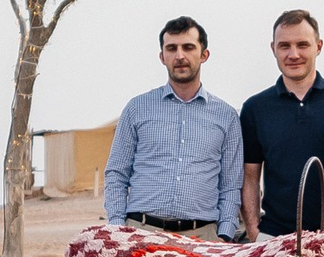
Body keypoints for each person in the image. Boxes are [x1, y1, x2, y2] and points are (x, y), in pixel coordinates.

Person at [102, 18, 242, 241]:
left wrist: (224, 235)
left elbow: (231, 185)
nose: (180, 56)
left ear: (204, 54)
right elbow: (117, 174)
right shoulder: (137, 108)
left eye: (188, 47)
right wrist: (118, 229)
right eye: (171, 48)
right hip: (142, 233)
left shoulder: (226, 116)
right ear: (162, 57)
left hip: (203, 237)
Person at [239, 10, 324, 240]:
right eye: (285, 46)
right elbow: (250, 176)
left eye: (302, 45)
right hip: (274, 238)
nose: (294, 54)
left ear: (319, 46)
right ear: (273, 48)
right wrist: (254, 232)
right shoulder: (256, 107)